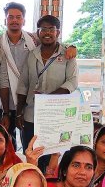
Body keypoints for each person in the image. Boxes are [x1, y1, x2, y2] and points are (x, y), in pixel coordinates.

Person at [16, 15, 78, 154]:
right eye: (43, 29)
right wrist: (19, 113)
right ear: (38, 33)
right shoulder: (32, 55)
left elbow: (72, 82)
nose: (47, 33)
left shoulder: (68, 55)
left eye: (51, 29)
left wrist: (48, 99)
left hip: (56, 117)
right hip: (31, 115)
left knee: (52, 156)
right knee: (31, 154)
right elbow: (23, 85)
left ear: (58, 32)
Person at [0, 2, 35, 147]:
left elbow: (53, 43)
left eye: (18, 17)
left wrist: (70, 47)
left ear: (24, 20)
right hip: (6, 103)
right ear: (5, 21)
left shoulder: (34, 40)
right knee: (7, 146)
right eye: (10, 17)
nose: (14, 20)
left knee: (30, 145)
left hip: (29, 103)